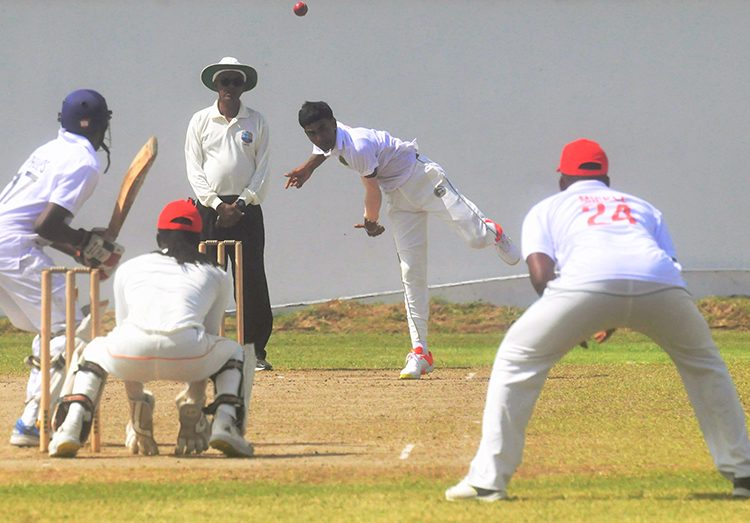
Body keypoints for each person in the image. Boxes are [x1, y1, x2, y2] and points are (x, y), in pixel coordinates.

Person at [445, 138, 750, 501]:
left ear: (562, 178)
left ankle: (488, 481)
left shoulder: (548, 208)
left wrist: (575, 321)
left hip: (584, 284)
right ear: (605, 177)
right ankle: (744, 472)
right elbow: (653, 267)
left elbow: (542, 276)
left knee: (517, 359)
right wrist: (614, 311)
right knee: (705, 367)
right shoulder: (643, 207)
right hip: (662, 284)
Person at [284, 101, 521, 380]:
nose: (319, 137)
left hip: (423, 180)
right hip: (399, 198)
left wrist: (371, 221)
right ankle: (420, 352)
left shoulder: (357, 146)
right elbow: (323, 150)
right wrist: (306, 169)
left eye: (322, 129)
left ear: (334, 122)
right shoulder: (330, 139)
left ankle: (493, 231)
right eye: (311, 133)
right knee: (411, 271)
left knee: (477, 239)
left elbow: (371, 191)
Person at [0, 89, 123, 447]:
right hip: (11, 246)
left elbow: (39, 222)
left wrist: (79, 249)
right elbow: (46, 225)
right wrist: (86, 244)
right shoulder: (85, 161)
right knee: (65, 331)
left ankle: (37, 414)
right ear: (103, 126)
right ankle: (33, 421)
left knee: (53, 327)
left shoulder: (49, 149)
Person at [48, 199, 255, 458]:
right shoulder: (216, 273)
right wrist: (195, 401)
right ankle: (225, 423)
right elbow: (209, 334)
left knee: (94, 349)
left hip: (129, 356)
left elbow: (125, 329)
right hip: (189, 356)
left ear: (159, 237)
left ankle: (71, 425)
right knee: (233, 350)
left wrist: (137, 409)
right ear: (199, 237)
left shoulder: (130, 268)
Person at [185, 56, 274, 372]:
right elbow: (194, 169)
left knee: (250, 280)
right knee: (209, 279)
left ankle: (253, 353)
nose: (231, 88)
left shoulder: (256, 121)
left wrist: (241, 204)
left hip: (246, 210)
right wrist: (215, 204)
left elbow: (262, 170)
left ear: (243, 87)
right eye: (225, 82)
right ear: (216, 85)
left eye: (236, 82)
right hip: (210, 210)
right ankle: (206, 349)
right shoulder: (200, 121)